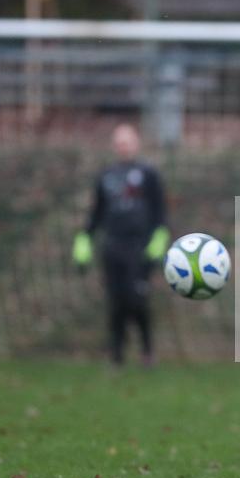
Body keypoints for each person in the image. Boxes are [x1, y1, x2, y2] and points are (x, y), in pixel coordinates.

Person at [72, 124, 169, 366]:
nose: (123, 146)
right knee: (116, 302)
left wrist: (158, 241)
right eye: (119, 142)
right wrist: (84, 240)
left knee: (136, 299)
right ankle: (116, 355)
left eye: (127, 141)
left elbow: (160, 212)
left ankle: (147, 351)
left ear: (136, 143)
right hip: (112, 246)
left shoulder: (148, 173)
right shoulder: (106, 175)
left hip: (139, 247)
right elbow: (96, 213)